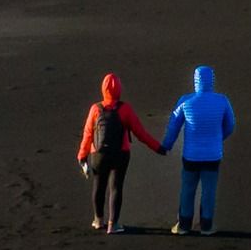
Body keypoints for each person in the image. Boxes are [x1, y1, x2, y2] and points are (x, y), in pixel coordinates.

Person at [77, 72, 164, 236]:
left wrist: (82, 157)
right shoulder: (125, 109)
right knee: (116, 187)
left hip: (98, 155)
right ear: (119, 89)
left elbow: (88, 134)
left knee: (99, 185)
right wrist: (158, 148)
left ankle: (98, 220)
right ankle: (113, 224)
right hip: (120, 153)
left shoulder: (95, 109)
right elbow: (141, 133)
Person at [162, 64, 236, 234]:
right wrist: (219, 138)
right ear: (212, 80)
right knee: (209, 191)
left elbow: (173, 126)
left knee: (188, 189)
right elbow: (230, 125)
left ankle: (184, 225)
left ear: (195, 81)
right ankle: (206, 225)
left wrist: (167, 145)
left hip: (191, 155)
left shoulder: (186, 101)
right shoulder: (222, 101)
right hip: (213, 155)